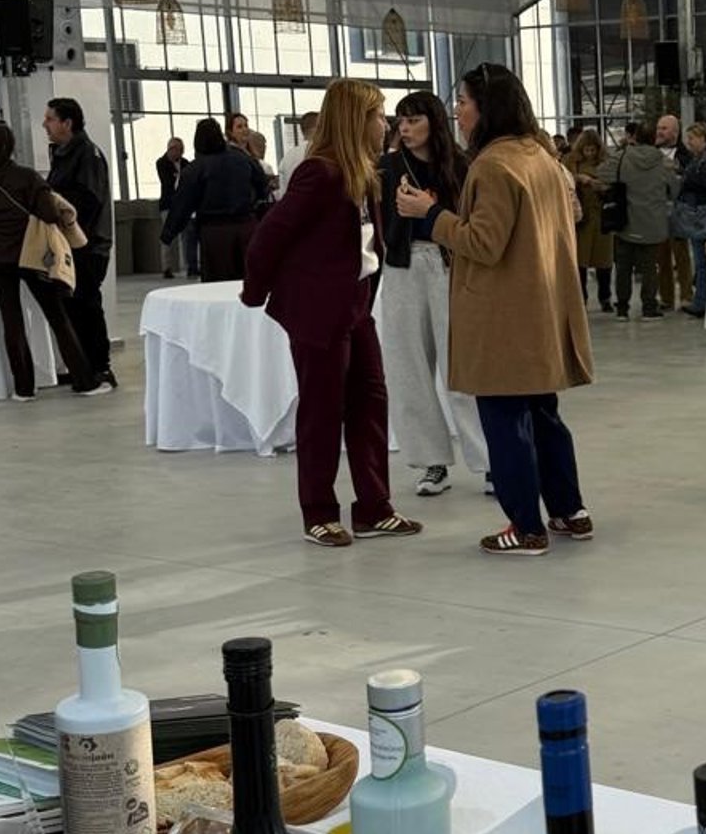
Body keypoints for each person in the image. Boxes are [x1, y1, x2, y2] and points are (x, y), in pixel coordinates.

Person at [410, 62, 594, 558]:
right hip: (540, 308)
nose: (457, 112)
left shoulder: (493, 165)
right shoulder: (540, 156)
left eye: (463, 102)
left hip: (503, 315)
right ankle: (569, 510)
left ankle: (525, 527)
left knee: (505, 421)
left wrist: (431, 215)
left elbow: (484, 243)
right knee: (544, 416)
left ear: (486, 107)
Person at [242, 79, 421, 547]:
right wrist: (255, 292)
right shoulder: (319, 174)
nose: (386, 125)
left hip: (355, 306)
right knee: (322, 411)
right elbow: (268, 236)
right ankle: (319, 512)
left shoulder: (364, 174)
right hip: (319, 312)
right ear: (356, 120)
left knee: (370, 403)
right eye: (378, 116)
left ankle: (374, 508)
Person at [379, 87, 487, 497]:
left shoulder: (460, 164)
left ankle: (489, 460)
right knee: (407, 366)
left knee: (460, 365)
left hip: (449, 264)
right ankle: (431, 461)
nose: (405, 129)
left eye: (414, 120)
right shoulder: (387, 167)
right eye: (401, 121)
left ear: (434, 122)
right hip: (401, 266)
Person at [0, 120, 105, 399]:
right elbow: (50, 215)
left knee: (12, 322)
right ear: (10, 147)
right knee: (57, 317)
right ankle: (84, 381)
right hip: (34, 256)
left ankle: (24, 388)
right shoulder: (28, 177)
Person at [44, 98, 115, 389]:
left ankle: (101, 368)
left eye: (50, 119)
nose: (45, 125)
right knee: (72, 307)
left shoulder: (87, 155)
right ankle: (81, 367)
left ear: (67, 123)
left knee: (87, 306)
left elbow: (88, 201)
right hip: (67, 246)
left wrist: (57, 209)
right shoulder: (62, 155)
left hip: (88, 245)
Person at [162, 118, 269, 282]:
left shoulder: (195, 169)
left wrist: (168, 233)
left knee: (217, 284)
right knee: (248, 281)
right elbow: (262, 185)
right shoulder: (242, 158)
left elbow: (182, 205)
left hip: (214, 234)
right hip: (246, 228)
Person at [600, 118, 679, 318]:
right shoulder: (663, 162)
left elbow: (603, 174)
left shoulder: (622, 156)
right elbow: (675, 189)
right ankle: (649, 308)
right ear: (654, 138)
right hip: (653, 222)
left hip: (625, 220)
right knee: (650, 267)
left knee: (623, 267)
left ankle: (622, 308)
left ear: (635, 137)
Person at [673, 122, 706, 319]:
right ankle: (703, 300)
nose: (689, 143)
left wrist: (684, 177)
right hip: (704, 214)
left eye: (692, 138)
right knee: (703, 261)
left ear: (703, 138)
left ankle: (703, 302)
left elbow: (705, 182)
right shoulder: (705, 158)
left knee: (704, 261)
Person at [563, 129, 615, 311]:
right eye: (586, 150)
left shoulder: (607, 162)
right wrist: (580, 179)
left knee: (604, 261)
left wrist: (603, 187)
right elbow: (564, 180)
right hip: (581, 219)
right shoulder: (570, 162)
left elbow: (615, 184)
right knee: (580, 261)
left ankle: (605, 297)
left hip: (602, 217)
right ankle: (581, 298)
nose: (590, 153)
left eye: (593, 150)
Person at [654, 112, 697, 310]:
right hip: (656, 210)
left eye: (664, 128)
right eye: (658, 128)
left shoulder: (686, 156)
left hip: (679, 210)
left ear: (675, 132)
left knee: (682, 255)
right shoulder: (650, 154)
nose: (659, 132)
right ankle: (666, 297)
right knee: (661, 256)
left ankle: (687, 295)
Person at [156, 137, 187, 278]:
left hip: (183, 204)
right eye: (174, 149)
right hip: (168, 204)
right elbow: (167, 181)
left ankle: (185, 265)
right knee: (167, 236)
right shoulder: (161, 163)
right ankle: (166, 267)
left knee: (184, 236)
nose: (177, 152)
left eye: (180, 150)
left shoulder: (186, 163)